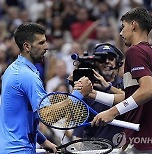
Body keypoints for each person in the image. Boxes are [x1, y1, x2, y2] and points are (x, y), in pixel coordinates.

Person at [0, 22, 92, 153]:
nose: (46, 47)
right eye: (41, 43)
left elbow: (19, 118)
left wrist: (44, 142)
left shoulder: (12, 70)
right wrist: (78, 95)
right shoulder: (27, 76)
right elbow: (48, 116)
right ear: (27, 46)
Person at [89, 7, 152, 153]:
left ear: (133, 25)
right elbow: (131, 98)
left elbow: (148, 91)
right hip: (150, 143)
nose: (120, 33)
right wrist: (92, 94)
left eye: (123, 27)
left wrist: (112, 112)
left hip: (146, 146)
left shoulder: (135, 51)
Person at [73, 43, 125, 147]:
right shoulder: (87, 89)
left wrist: (108, 87)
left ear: (117, 62)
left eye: (110, 58)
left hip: (121, 148)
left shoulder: (125, 85)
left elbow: (132, 100)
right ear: (95, 63)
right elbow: (79, 128)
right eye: (102, 59)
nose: (106, 62)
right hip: (94, 148)